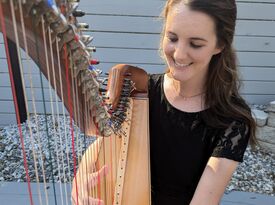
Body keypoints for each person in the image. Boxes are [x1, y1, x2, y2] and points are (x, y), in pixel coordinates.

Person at [72, 0, 257, 204]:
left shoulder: (232, 121)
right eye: (172, 38)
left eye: (195, 44)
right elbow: (101, 145)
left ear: (220, 45)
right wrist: (80, 182)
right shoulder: (139, 92)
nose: (179, 53)